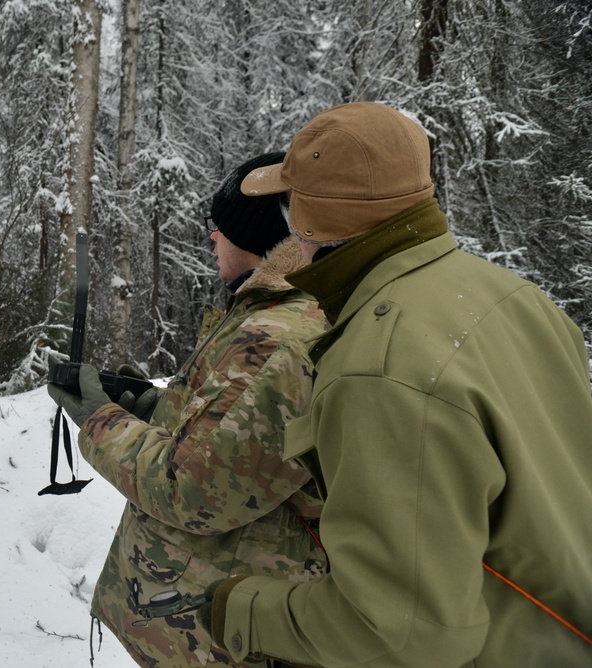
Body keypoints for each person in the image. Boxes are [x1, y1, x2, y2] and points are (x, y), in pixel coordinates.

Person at [200, 101, 592, 667]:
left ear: (308, 224)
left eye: (291, 207)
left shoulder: (377, 370)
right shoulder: (519, 299)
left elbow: (401, 634)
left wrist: (242, 609)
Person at [48, 152, 328, 667]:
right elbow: (240, 440)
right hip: (210, 623)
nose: (211, 237)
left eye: (217, 225)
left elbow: (194, 488)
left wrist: (99, 419)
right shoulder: (264, 310)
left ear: (254, 232)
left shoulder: (279, 338)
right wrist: (157, 409)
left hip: (229, 639)